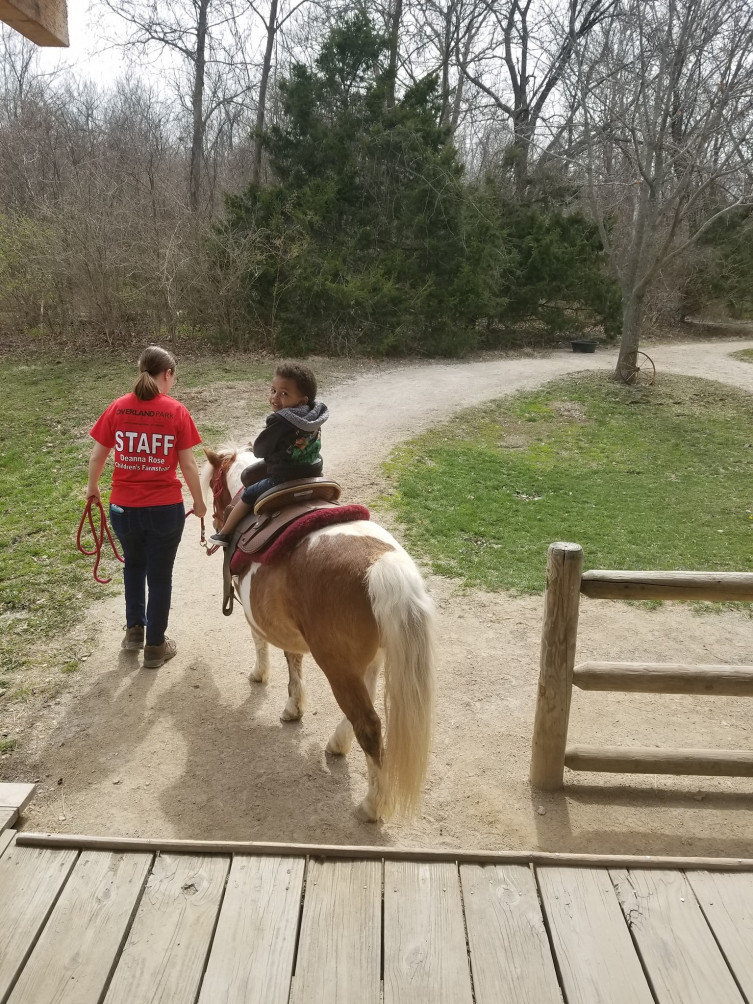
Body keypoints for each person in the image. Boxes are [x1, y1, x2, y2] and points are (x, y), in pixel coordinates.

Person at [87, 346, 207, 668]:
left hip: (123, 509)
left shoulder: (117, 408)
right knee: (160, 576)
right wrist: (198, 502)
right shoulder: (176, 411)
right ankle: (155, 646)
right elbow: (189, 466)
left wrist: (93, 488)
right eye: (174, 377)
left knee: (134, 567)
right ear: (167, 374)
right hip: (164, 510)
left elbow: (98, 455)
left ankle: (134, 632)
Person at [210, 362, 329, 546]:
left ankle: (225, 533)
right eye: (273, 390)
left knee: (248, 494)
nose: (275, 397)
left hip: (283, 476)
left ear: (302, 400)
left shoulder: (281, 420)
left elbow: (259, 450)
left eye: (284, 393)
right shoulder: (314, 414)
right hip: (312, 470)